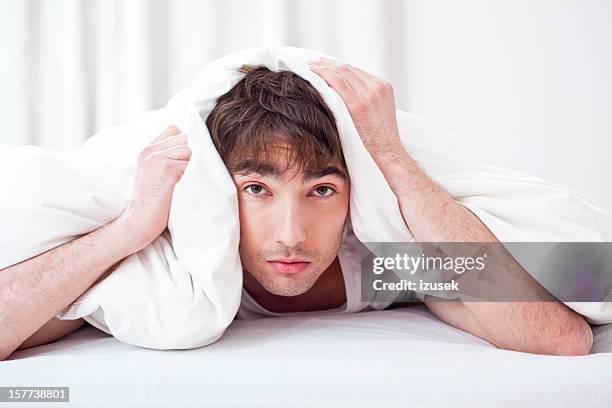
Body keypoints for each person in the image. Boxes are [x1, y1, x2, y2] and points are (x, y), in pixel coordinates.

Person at [0, 58, 593, 360]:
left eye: (322, 190)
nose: (292, 235)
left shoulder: (382, 264)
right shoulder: (178, 269)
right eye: (257, 189)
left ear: (354, 192)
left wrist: (391, 157)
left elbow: (560, 338)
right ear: (218, 188)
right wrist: (128, 228)